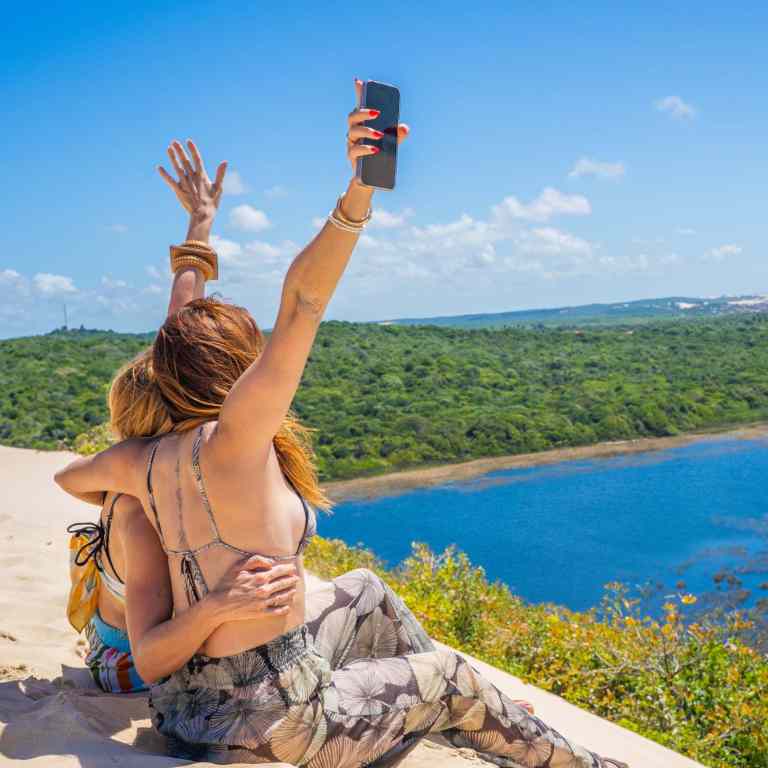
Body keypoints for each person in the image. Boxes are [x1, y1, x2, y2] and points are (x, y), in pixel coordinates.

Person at [55, 79, 627, 768]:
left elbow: (77, 465)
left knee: (365, 588)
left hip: (188, 712)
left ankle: (477, 721)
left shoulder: (137, 462)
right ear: (237, 372)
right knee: (448, 678)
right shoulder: (236, 441)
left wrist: (198, 235)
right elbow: (303, 302)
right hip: (281, 718)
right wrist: (359, 194)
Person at [65, 153, 300, 692]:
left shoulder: (176, 453)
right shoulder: (142, 497)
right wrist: (116, 486)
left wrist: (200, 224)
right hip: (128, 664)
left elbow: (181, 330)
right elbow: (152, 660)